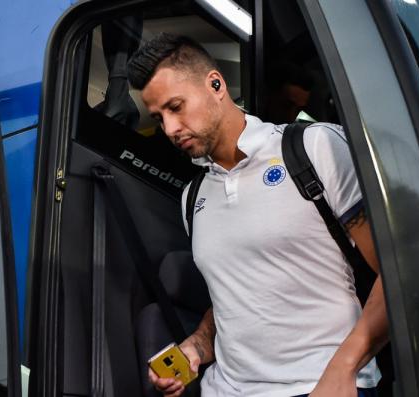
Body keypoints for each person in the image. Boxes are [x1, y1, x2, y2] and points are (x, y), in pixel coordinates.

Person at [127, 33, 388, 397]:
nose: (169, 129)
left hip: (321, 386)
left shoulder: (314, 148)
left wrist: (343, 369)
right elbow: (233, 300)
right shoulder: (193, 197)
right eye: (159, 117)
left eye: (176, 107)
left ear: (216, 84)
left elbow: (399, 275)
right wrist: (196, 348)